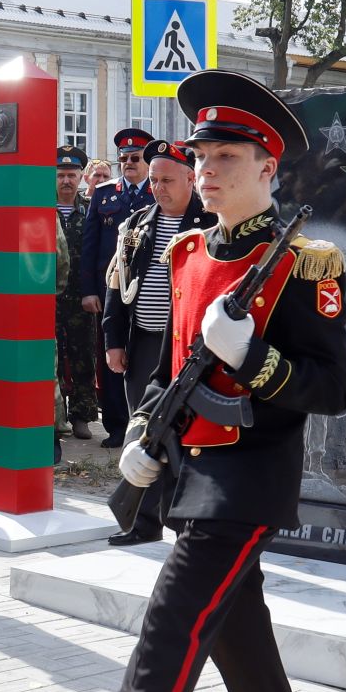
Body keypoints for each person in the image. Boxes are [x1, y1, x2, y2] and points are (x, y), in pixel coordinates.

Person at [9, 70, 346, 692]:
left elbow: (329, 389)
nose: (208, 166)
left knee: (168, 636)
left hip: (248, 481)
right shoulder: (192, 251)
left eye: (228, 154)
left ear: (269, 169)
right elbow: (171, 370)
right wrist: (141, 429)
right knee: (240, 640)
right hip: (189, 472)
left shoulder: (305, 264)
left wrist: (257, 361)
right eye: (203, 152)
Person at [102, 138, 210, 545]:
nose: (158, 188)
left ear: (191, 178)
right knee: (142, 431)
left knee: (185, 434)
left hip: (189, 346)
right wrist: (113, 341)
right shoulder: (136, 225)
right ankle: (141, 523)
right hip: (143, 341)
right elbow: (116, 286)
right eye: (153, 180)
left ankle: (184, 524)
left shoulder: (210, 225)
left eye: (167, 179)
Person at [82, 129, 154, 445]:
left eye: (135, 158)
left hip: (149, 289)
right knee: (110, 352)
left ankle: (145, 421)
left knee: (144, 353)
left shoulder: (158, 193)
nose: (128, 164)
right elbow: (89, 246)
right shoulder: (104, 194)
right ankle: (116, 425)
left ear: (148, 161)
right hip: (108, 289)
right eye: (123, 159)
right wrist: (88, 290)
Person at [53, 146, 98, 441]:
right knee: (53, 357)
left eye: (72, 174)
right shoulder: (42, 208)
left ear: (81, 177)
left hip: (81, 297)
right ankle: (56, 416)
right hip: (51, 295)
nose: (67, 181)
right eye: (61, 175)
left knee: (84, 355)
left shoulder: (92, 209)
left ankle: (82, 415)